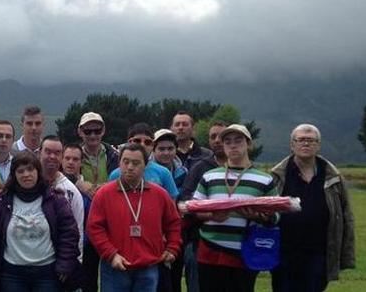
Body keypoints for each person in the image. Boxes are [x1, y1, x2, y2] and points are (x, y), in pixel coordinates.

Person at [191, 124, 278, 292]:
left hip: (244, 252)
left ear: (249, 144)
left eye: (238, 140)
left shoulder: (265, 180)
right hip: (210, 250)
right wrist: (211, 215)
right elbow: (195, 209)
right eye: (228, 141)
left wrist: (258, 216)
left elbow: (276, 216)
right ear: (223, 146)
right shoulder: (209, 176)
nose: (233, 145)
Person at [270, 124, 355, 292]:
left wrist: (346, 256)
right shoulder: (277, 176)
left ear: (319, 145)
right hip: (284, 253)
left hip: (320, 253)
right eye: (301, 140)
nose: (306, 144)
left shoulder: (334, 178)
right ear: (292, 145)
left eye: (311, 140)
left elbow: (346, 217)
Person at [0, 152, 81, 291]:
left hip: (47, 273)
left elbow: (69, 233)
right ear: (14, 175)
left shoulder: (55, 200)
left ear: (38, 172)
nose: (26, 174)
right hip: (12, 274)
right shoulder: (1, 201)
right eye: (20, 171)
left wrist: (65, 263)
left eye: (30, 169)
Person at [87, 143, 182, 292]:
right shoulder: (104, 194)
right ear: (119, 163)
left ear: (146, 165)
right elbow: (94, 228)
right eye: (125, 162)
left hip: (148, 266)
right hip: (115, 266)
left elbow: (174, 223)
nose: (130, 167)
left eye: (136, 163)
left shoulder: (159, 194)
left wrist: (172, 248)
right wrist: (111, 254)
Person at [178, 122, 225, 292]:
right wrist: (210, 213)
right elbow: (184, 201)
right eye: (213, 137)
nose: (217, 140)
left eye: (222, 136)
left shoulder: (243, 169)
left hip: (235, 244)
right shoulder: (200, 168)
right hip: (200, 242)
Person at [40, 136, 85, 261]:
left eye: (57, 153)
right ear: (39, 152)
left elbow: (78, 232)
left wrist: (75, 262)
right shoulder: (28, 184)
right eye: (48, 151)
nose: (52, 156)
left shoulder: (72, 192)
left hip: (59, 259)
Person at [61, 143, 98, 292]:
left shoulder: (89, 190)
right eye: (67, 158)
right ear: (61, 160)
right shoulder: (53, 186)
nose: (71, 162)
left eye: (75, 159)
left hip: (87, 249)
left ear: (81, 162)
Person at [108, 129, 179, 200]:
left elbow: (171, 202)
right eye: (137, 141)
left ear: (152, 145)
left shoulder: (164, 172)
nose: (142, 145)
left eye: (147, 142)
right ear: (129, 142)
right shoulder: (116, 174)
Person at [77, 112, 119, 195]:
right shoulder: (72, 156)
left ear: (103, 131)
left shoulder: (115, 156)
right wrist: (78, 183)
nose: (93, 135)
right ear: (80, 132)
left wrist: (107, 187)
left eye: (97, 131)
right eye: (88, 131)